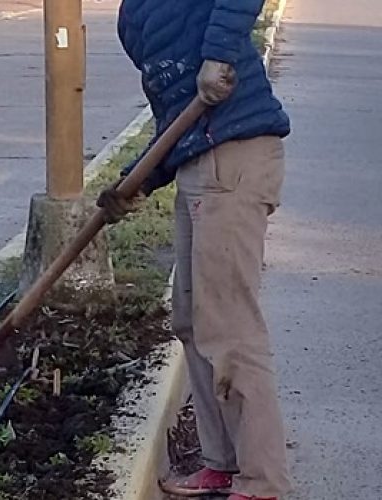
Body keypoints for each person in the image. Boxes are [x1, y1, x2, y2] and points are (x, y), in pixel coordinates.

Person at [96, 0, 292, 499]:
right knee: (191, 321)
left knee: (228, 326)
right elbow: (174, 120)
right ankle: (221, 462)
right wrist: (134, 181)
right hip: (196, 163)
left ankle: (262, 480)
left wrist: (219, 54)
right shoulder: (133, 15)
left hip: (235, 153)